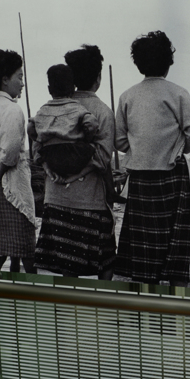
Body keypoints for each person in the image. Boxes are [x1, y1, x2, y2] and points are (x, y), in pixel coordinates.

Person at [115, 31, 190, 285]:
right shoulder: (178, 93)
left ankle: (144, 311)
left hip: (141, 180)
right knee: (174, 250)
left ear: (139, 64)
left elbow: (119, 140)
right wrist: (174, 149)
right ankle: (174, 312)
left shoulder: (127, 96)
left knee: (144, 251)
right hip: (172, 179)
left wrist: (140, 150)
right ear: (168, 62)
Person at [34, 45, 118, 279]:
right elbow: (102, 159)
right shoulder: (102, 112)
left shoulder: (51, 110)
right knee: (106, 264)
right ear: (98, 78)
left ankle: (64, 314)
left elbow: (37, 150)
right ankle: (104, 312)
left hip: (55, 199)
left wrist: (55, 170)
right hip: (89, 204)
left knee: (65, 273)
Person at [0, 49, 36, 277]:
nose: (22, 83)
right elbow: (12, 150)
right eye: (19, 77)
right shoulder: (13, 110)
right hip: (10, 186)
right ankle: (36, 294)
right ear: (5, 80)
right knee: (26, 247)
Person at [27, 64, 99, 179]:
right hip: (75, 155)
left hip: (51, 156)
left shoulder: (43, 110)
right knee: (93, 148)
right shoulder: (77, 108)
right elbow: (91, 124)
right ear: (73, 88)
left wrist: (38, 138)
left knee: (40, 149)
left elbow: (30, 126)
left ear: (49, 89)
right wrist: (86, 139)